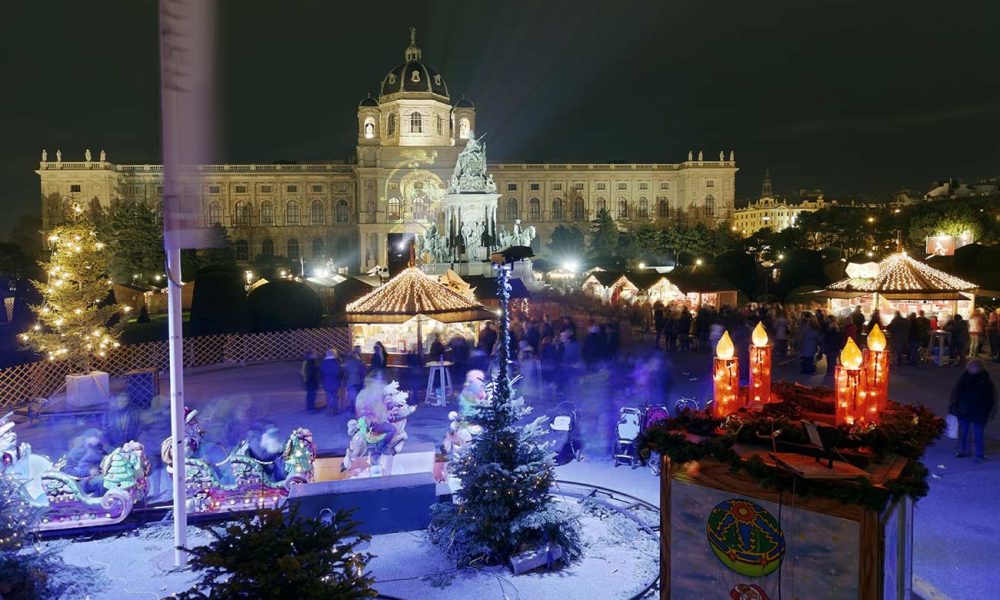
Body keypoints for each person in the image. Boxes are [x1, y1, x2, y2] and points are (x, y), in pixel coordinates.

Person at [949, 360, 997, 463]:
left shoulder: (980, 380)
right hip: (971, 411)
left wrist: (952, 406)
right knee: (969, 432)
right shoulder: (983, 380)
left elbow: (992, 398)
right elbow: (993, 398)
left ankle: (970, 452)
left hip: (971, 411)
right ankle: (973, 453)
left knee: (972, 433)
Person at [320, 349, 344, 413]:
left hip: (326, 381)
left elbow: (321, 372)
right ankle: (335, 410)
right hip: (335, 381)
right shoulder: (335, 362)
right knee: (335, 396)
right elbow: (338, 372)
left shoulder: (323, 362)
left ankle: (329, 410)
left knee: (328, 396)